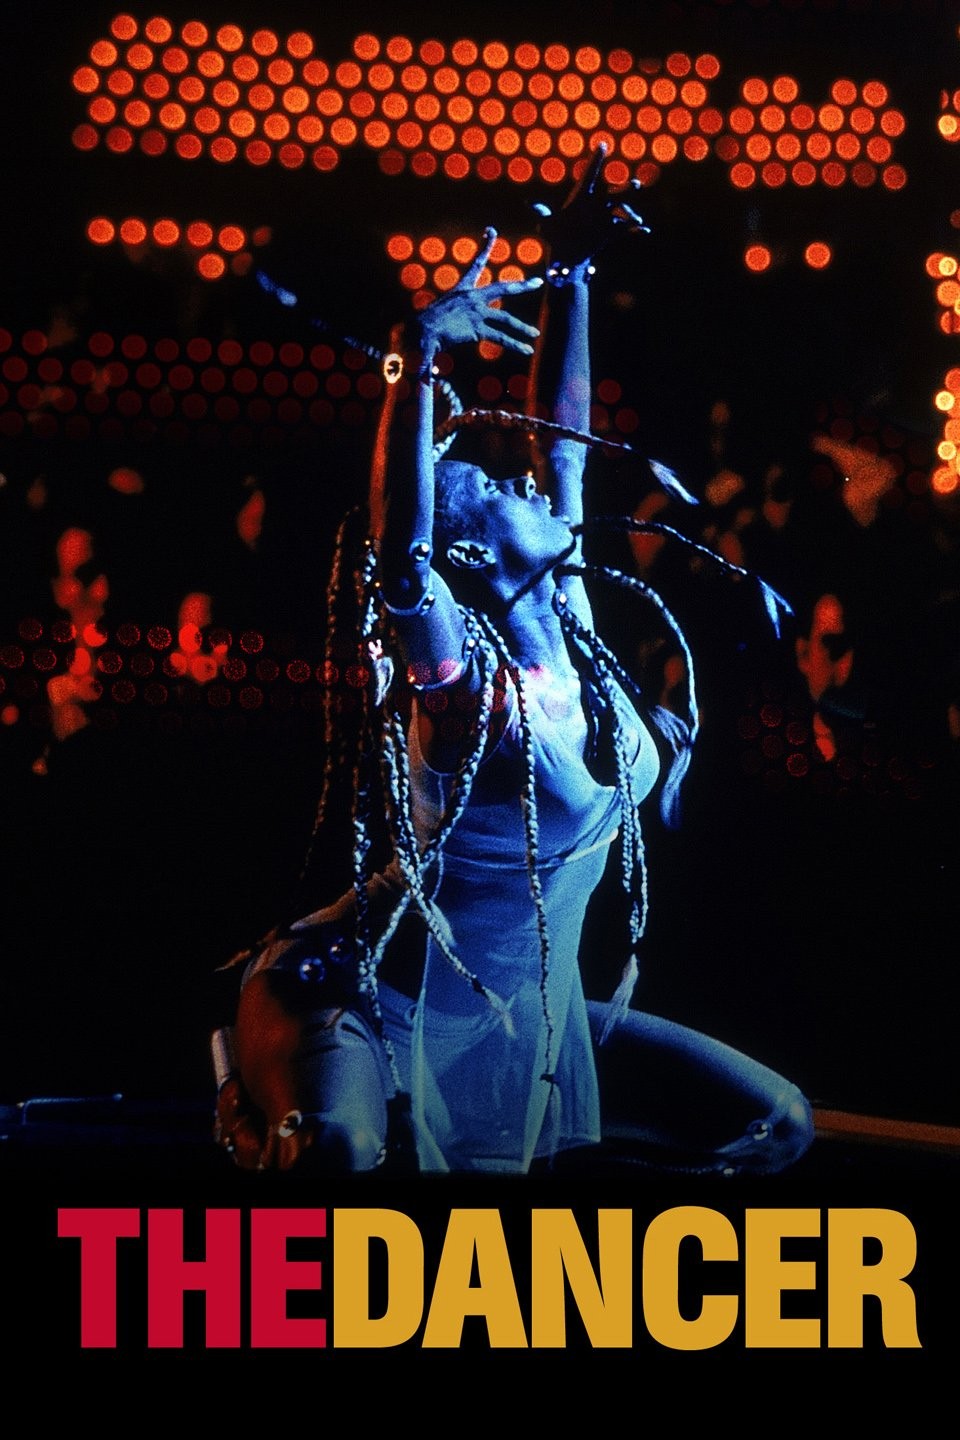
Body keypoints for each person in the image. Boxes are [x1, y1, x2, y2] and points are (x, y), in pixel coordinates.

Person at [214, 150, 813, 1176]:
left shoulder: (568, 611)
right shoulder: (465, 694)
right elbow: (402, 561)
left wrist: (570, 271)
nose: (526, 483)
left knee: (780, 1124)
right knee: (335, 1156)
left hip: (527, 1010)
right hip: (365, 992)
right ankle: (246, 1103)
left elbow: (563, 443)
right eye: (494, 488)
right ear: (472, 558)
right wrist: (413, 357)